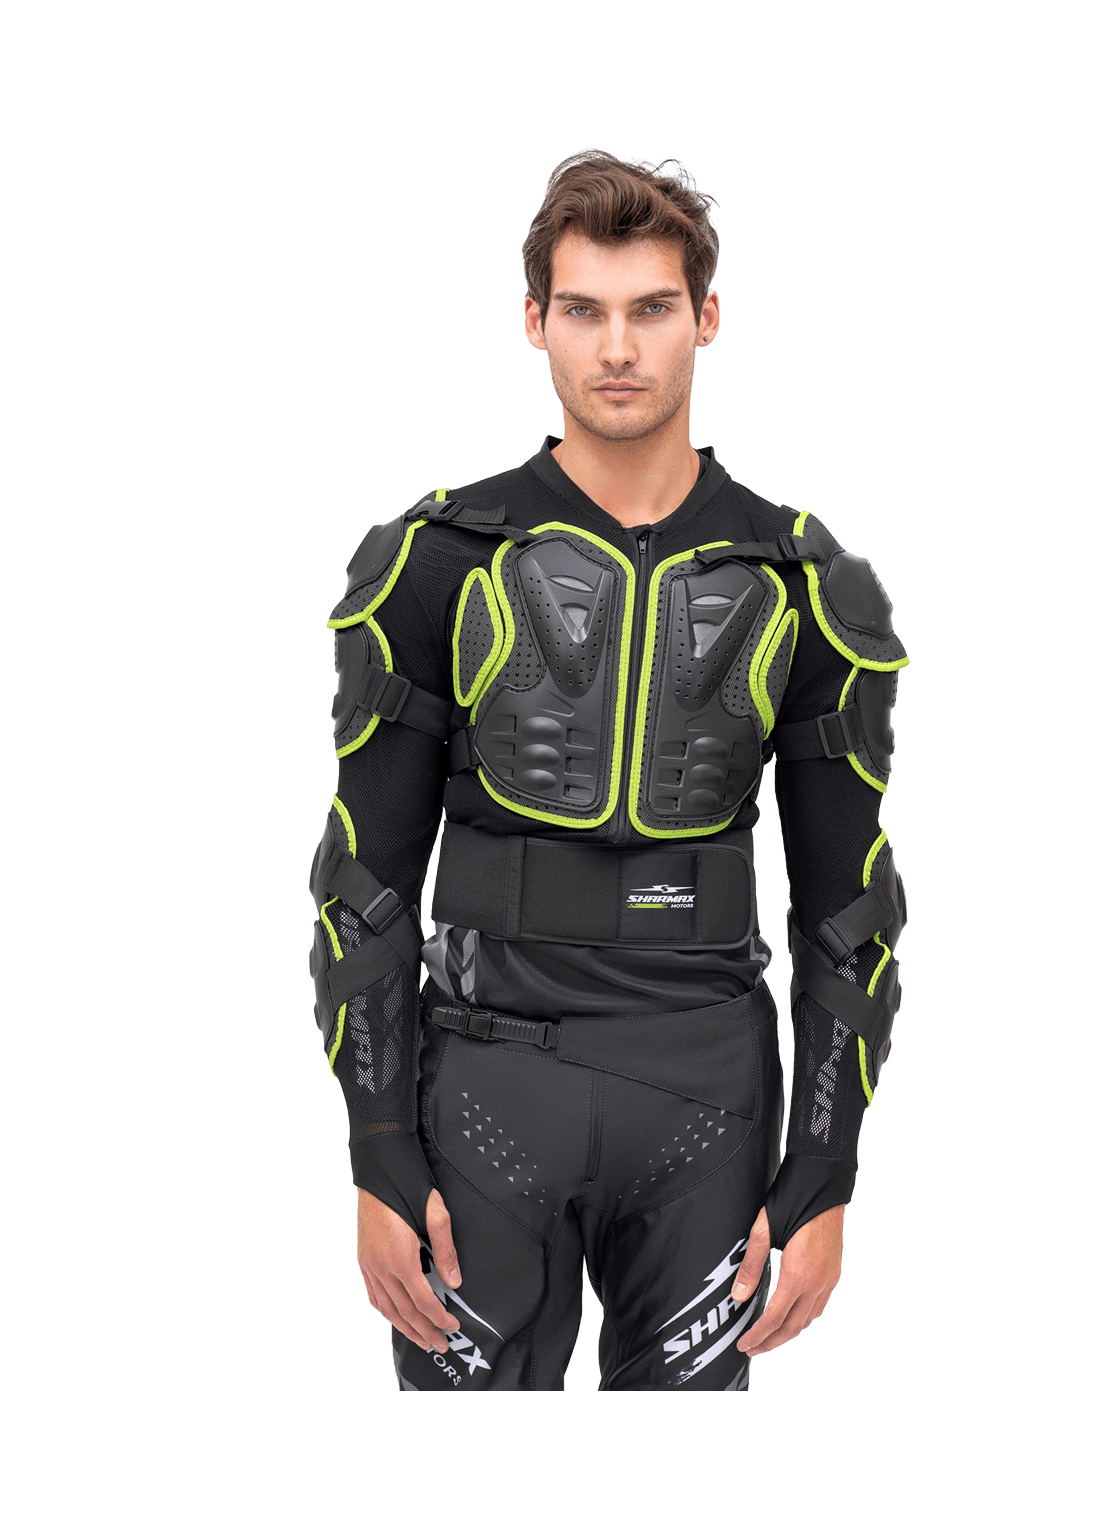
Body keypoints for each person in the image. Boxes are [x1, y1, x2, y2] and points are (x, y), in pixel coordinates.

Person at [308, 149, 908, 1391]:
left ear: (707, 317)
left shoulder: (805, 581)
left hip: (708, 1096)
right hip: (484, 1087)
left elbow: (848, 910)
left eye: (650, 309)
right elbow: (362, 883)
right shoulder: (434, 560)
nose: (617, 349)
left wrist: (822, 1172)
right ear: (534, 321)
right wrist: (376, 1150)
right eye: (582, 310)